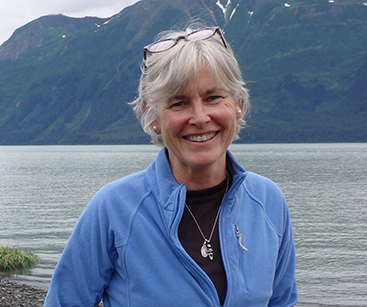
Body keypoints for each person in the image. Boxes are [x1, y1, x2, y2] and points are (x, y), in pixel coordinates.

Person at [43, 25, 297, 306]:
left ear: (237, 104)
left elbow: (281, 301)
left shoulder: (268, 201)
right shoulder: (114, 207)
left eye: (213, 97)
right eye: (179, 103)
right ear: (154, 117)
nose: (200, 118)